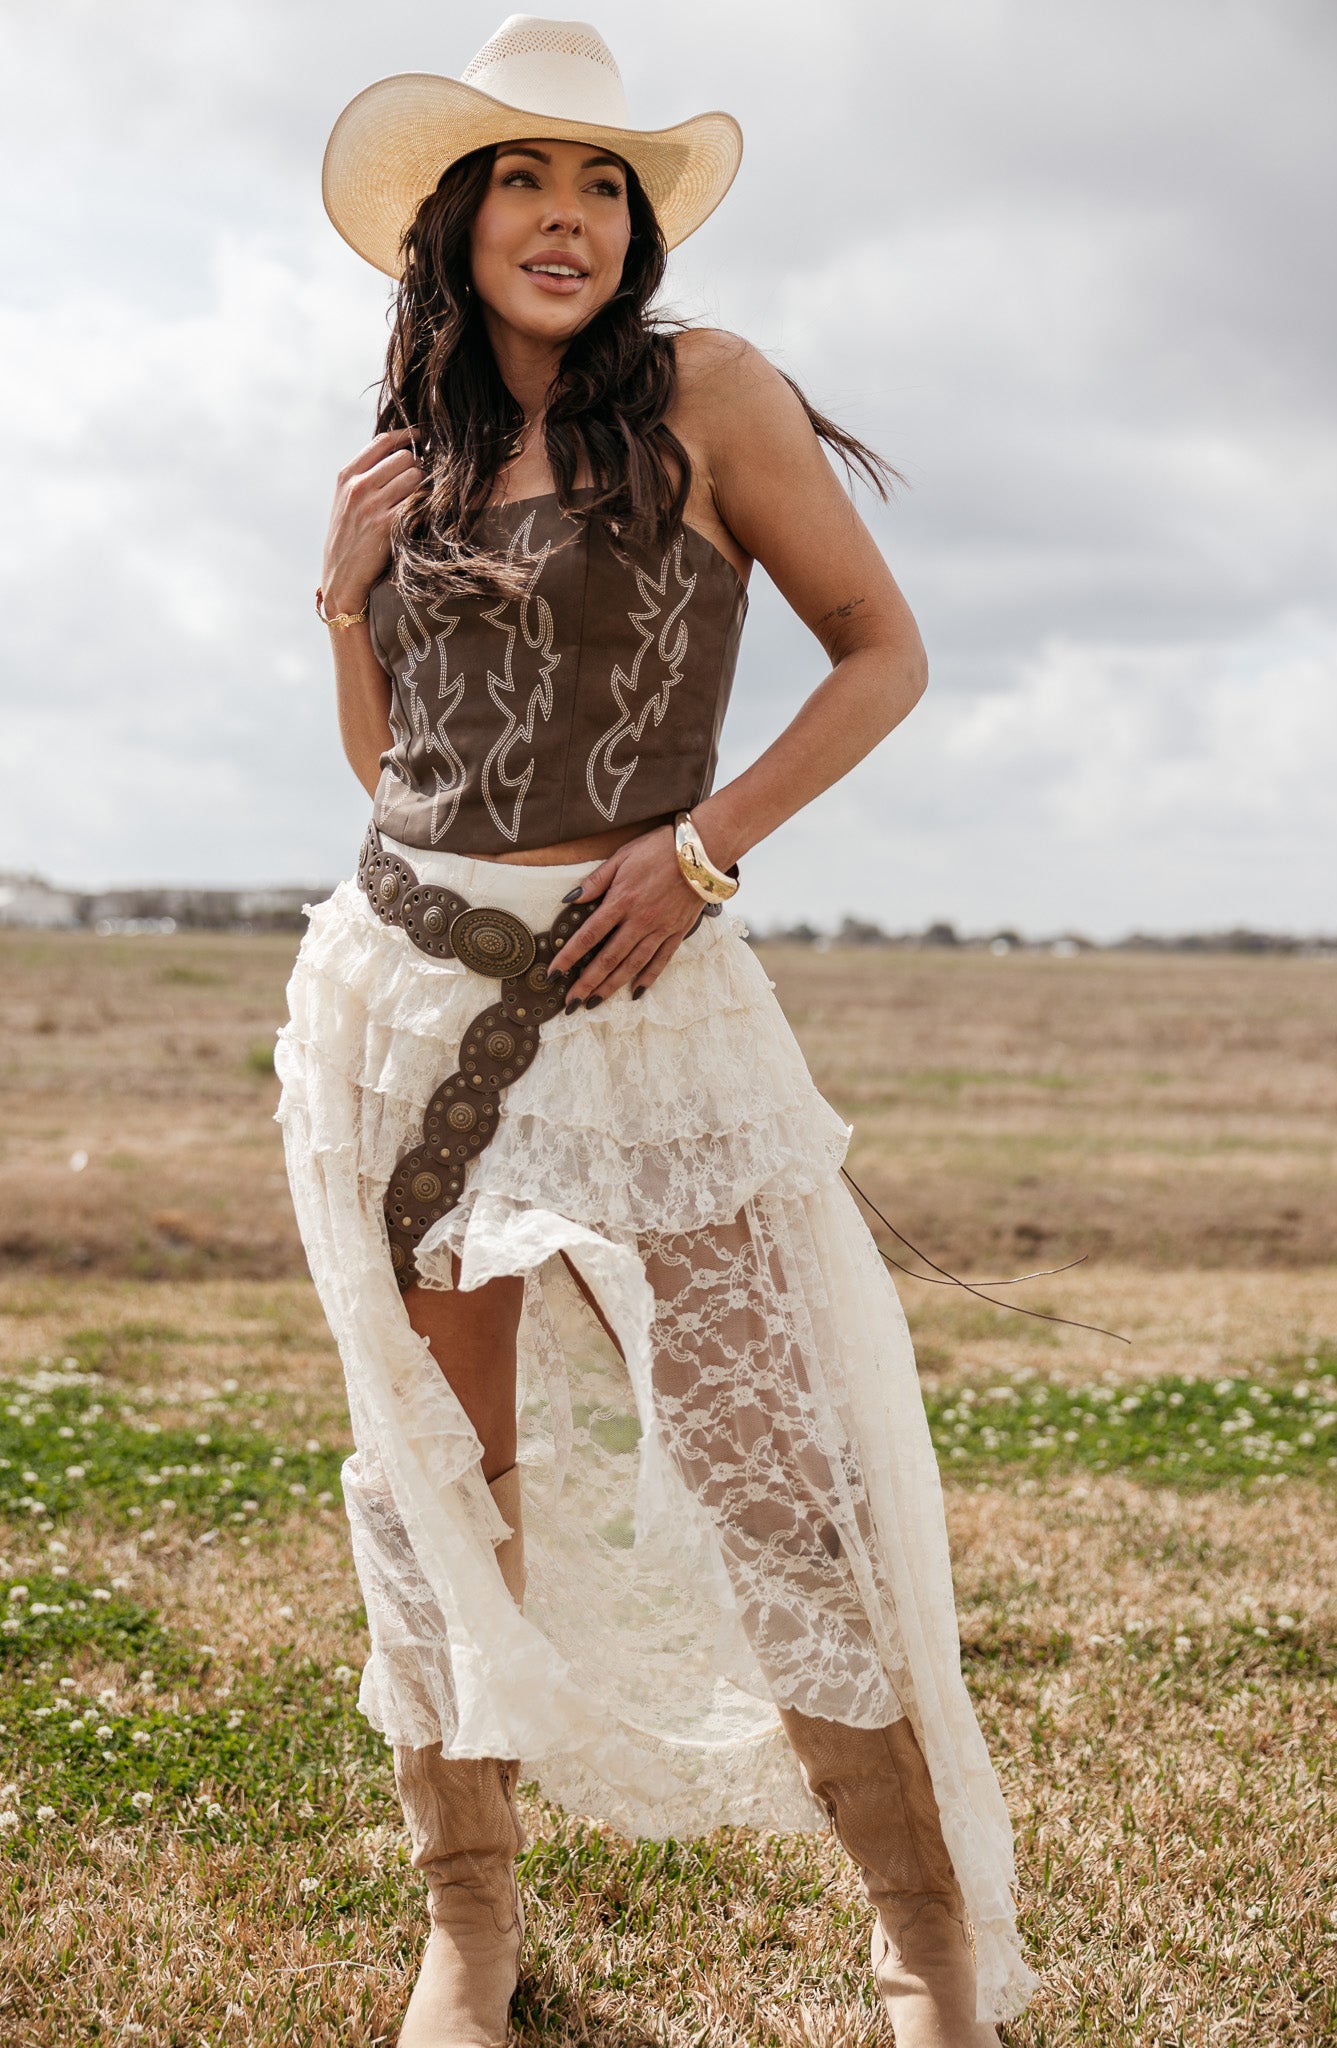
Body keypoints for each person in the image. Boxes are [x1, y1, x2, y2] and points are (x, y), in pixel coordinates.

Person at [277, 16, 1041, 2046]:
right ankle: (471, 1931)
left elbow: (880, 656)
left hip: (641, 993)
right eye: (524, 180)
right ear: (451, 222)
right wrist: (341, 593)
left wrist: (701, 854)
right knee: (444, 1477)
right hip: (405, 996)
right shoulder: (409, 443)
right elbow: (394, 767)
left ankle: (921, 1945)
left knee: (772, 1469)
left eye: (599, 184)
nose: (564, 216)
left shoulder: (709, 393)